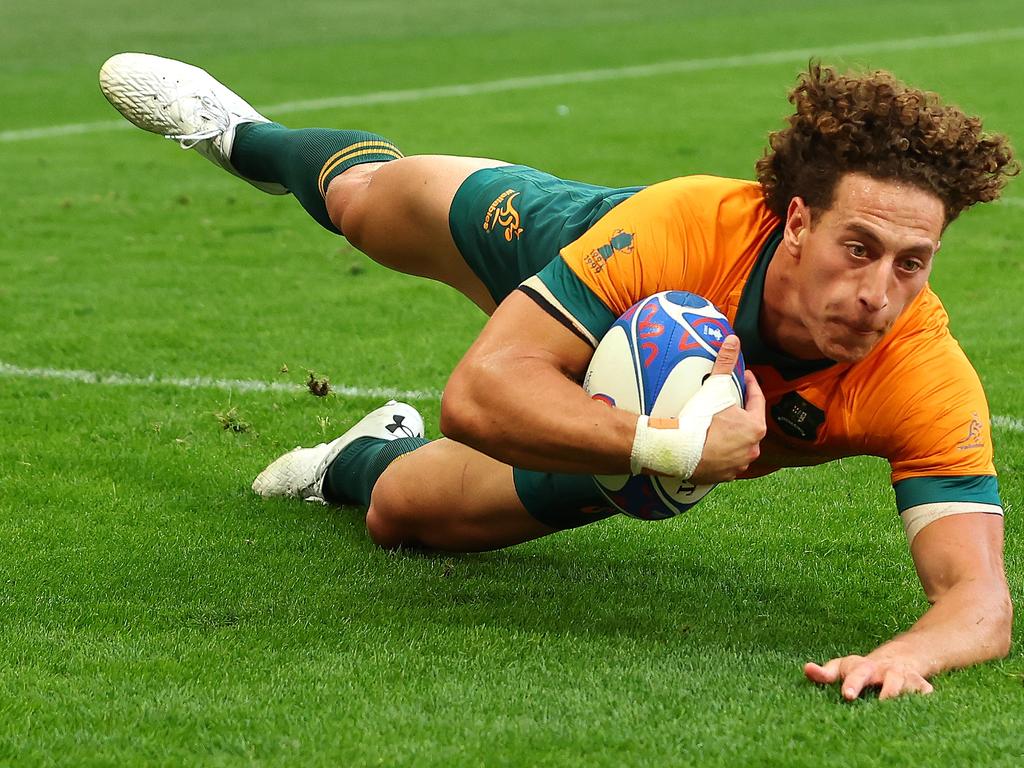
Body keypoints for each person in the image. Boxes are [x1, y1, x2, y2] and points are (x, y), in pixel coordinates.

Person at [99, 53, 1017, 701]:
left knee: (403, 519)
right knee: (368, 204)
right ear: (795, 223)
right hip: (587, 254)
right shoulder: (688, 225)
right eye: (858, 247)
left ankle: (354, 456)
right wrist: (676, 443)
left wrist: (909, 656)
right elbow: (482, 390)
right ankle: (240, 134)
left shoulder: (920, 373)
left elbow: (978, 602)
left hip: (639, 450)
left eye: (911, 262)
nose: (876, 292)